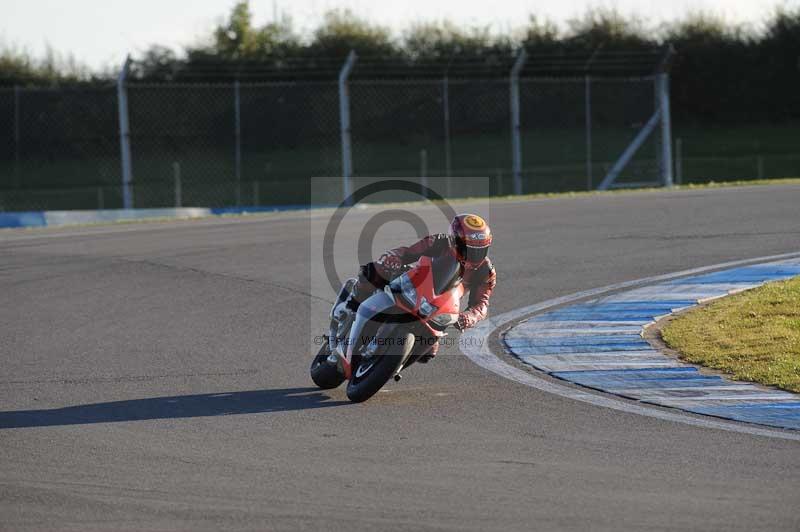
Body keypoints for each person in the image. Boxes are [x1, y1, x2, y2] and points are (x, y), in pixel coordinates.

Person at [347, 213, 496, 361]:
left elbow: (481, 304)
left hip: (440, 308)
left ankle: (392, 366)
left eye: (480, 250)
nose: (474, 256)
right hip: (415, 285)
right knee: (374, 271)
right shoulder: (438, 242)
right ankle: (350, 305)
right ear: (453, 241)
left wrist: (469, 317)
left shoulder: (486, 270)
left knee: (428, 353)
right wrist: (394, 258)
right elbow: (407, 252)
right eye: (468, 249)